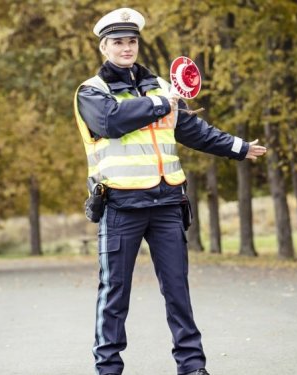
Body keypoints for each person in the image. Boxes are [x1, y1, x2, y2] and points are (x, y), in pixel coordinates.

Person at [73, 8, 267, 375]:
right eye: (118, 42)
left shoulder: (162, 85)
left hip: (166, 203)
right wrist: (164, 103)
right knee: (114, 296)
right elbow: (112, 122)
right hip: (121, 206)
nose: (126, 48)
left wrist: (238, 147)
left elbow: (192, 130)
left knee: (178, 292)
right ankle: (108, 369)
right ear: (104, 47)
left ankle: (192, 367)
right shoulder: (91, 92)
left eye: (131, 41)